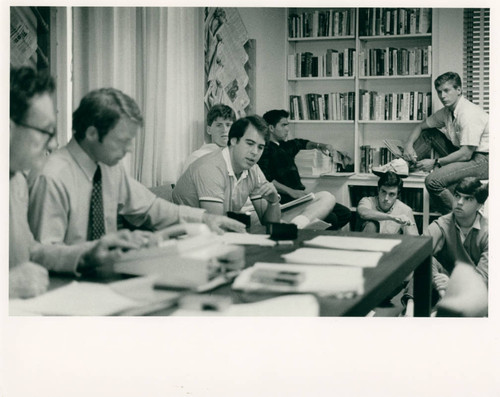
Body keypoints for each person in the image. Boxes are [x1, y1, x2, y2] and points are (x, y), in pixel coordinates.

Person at [28, 87, 245, 275]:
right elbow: (40, 254)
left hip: (108, 276)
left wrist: (205, 219)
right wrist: (87, 254)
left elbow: (150, 207)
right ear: (92, 133)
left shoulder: (108, 166)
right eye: (123, 140)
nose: (130, 149)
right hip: (66, 287)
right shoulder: (52, 176)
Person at [9, 67, 148, 297]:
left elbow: (31, 250)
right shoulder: (46, 174)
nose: (53, 145)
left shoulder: (16, 181)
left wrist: (87, 253)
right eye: (45, 131)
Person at [402, 71, 489, 214]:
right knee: (430, 133)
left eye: (447, 91)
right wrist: (408, 145)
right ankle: (403, 164)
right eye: (439, 92)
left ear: (459, 90)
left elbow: (466, 154)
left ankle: (458, 217)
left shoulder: (468, 113)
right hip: (466, 153)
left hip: (484, 160)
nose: (442, 96)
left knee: (433, 181)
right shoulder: (446, 112)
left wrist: (435, 162)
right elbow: (421, 126)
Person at [172, 115, 281, 226]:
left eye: (260, 147)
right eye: (250, 143)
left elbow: (271, 226)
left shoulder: (253, 169)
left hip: (211, 233)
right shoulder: (211, 168)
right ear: (233, 140)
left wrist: (273, 202)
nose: (255, 152)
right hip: (182, 234)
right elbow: (216, 225)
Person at [258, 109, 352, 230]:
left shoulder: (285, 146)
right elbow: (266, 179)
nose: (287, 129)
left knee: (345, 213)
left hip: (301, 197)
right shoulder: (265, 150)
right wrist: (291, 191)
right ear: (271, 128)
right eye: (283, 125)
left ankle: (308, 231)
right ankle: (301, 232)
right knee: (331, 218)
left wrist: (320, 145)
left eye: (288, 125)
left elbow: (301, 143)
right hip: (286, 199)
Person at [425, 177, 488, 302]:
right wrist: (439, 280)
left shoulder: (489, 232)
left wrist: (454, 285)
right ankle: (410, 308)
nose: (459, 202)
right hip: (443, 282)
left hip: (474, 288)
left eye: (468, 198)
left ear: (479, 205)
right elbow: (418, 252)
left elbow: (484, 276)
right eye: (457, 196)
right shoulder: (441, 224)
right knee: (424, 260)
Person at [357, 171, 418, 235]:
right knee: (371, 225)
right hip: (368, 243)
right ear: (378, 190)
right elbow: (363, 213)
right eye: (383, 192)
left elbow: (413, 239)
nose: (386, 198)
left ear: (398, 195)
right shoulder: (367, 201)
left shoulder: (405, 210)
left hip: (391, 244)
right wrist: (392, 217)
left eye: (391, 194)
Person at [181, 104, 236, 173]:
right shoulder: (197, 158)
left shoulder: (237, 160)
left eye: (228, 125)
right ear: (209, 130)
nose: (224, 130)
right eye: (219, 125)